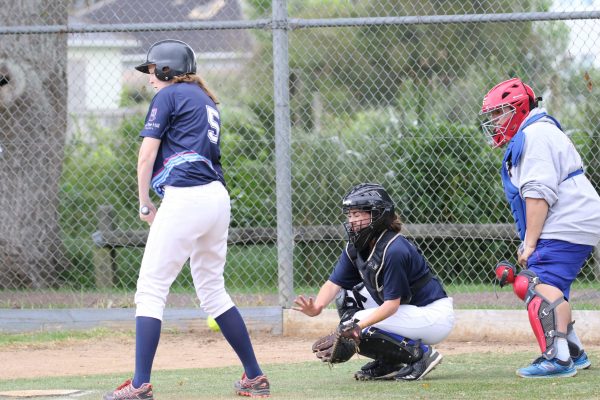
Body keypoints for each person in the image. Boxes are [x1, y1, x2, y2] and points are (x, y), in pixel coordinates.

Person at [103, 39, 270, 399]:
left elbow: (147, 155)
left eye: (151, 70)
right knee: (212, 291)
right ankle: (254, 377)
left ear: (167, 70)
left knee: (150, 289)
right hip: (216, 199)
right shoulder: (205, 99)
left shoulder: (169, 95)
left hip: (187, 197)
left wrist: (144, 201)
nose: (149, 78)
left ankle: (139, 384)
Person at [481, 77, 600, 378]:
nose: (494, 122)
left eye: (499, 113)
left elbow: (537, 194)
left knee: (533, 285)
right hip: (575, 220)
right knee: (551, 287)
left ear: (519, 109)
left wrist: (530, 243)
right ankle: (574, 351)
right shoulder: (539, 130)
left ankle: (558, 359)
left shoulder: (533, 135)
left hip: (567, 222)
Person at [293, 183, 455, 381]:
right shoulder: (355, 248)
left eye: (358, 214)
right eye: (349, 215)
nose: (351, 221)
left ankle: (420, 355)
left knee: (355, 323)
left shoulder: (394, 249)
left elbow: (391, 306)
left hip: (432, 317)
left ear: (378, 215)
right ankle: (390, 361)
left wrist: (357, 326)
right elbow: (333, 284)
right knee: (348, 299)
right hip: (409, 313)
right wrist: (317, 306)